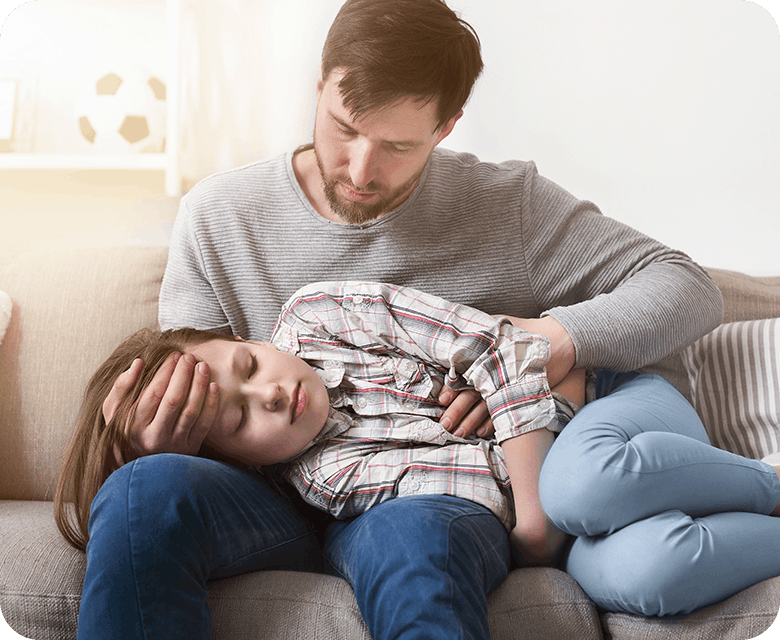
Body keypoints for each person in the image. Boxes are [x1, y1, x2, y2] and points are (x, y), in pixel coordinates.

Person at [68, 0, 760, 638]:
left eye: (398, 146)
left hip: (426, 495)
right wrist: (155, 445)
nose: (362, 169)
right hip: (285, 489)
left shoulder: (506, 205)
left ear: (446, 126)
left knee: (413, 541)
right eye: (344, 129)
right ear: (317, 87)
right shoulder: (218, 217)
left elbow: (685, 286)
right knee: (141, 493)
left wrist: (544, 342)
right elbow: (205, 384)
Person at [56, 281, 587, 567]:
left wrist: (521, 390)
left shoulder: (315, 316)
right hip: (569, 452)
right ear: (244, 463)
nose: (271, 394)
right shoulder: (326, 477)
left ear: (250, 340)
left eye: (250, 366)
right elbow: (496, 486)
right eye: (241, 418)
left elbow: (496, 346)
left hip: (595, 397)